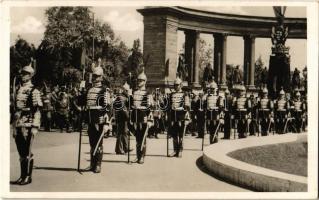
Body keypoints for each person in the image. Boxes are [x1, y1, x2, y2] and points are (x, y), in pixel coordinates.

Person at [11, 64, 42, 185]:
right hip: (18, 123)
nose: (22, 75)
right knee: (21, 151)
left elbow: (37, 111)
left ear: (30, 76)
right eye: (22, 73)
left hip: (28, 124)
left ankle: (28, 176)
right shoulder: (18, 89)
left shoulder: (34, 91)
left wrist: (35, 126)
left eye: (25, 74)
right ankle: (22, 175)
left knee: (27, 151)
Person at [86, 66, 111, 173]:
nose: (95, 78)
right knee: (92, 143)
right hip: (91, 119)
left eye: (97, 76)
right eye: (94, 76)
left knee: (98, 143)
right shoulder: (89, 89)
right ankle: (92, 163)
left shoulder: (104, 90)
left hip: (100, 119)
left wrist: (106, 123)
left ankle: (98, 164)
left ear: (101, 77)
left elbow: (108, 108)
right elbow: (85, 104)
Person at [130, 68, 153, 164]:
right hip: (135, 117)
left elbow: (150, 108)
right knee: (137, 138)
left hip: (143, 117)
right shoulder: (134, 92)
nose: (139, 82)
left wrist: (150, 120)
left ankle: (142, 156)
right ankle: (138, 155)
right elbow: (131, 106)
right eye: (138, 80)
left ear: (145, 81)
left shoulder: (148, 93)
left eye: (141, 80)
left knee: (143, 138)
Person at [168, 76, 190, 157]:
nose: (176, 86)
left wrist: (187, 115)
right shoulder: (172, 94)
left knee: (181, 134)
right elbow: (169, 105)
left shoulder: (185, 94)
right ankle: (175, 150)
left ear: (181, 85)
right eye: (175, 85)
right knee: (174, 134)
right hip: (173, 116)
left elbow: (187, 106)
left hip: (181, 116)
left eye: (177, 85)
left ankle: (180, 150)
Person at [114, 82, 131, 154]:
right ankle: (119, 149)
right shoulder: (121, 98)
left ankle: (126, 147)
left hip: (122, 117)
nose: (127, 92)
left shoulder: (124, 97)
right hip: (122, 117)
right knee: (121, 133)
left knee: (124, 133)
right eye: (127, 91)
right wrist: (128, 117)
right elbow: (123, 109)